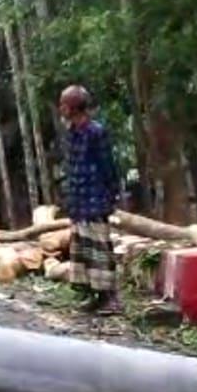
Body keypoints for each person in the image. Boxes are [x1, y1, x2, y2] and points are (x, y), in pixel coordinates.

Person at [58, 85, 121, 313]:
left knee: (101, 251)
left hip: (95, 201)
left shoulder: (96, 131)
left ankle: (111, 298)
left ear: (75, 107)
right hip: (79, 201)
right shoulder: (72, 132)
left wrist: (111, 196)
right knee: (84, 252)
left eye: (64, 104)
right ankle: (96, 296)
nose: (61, 108)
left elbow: (108, 166)